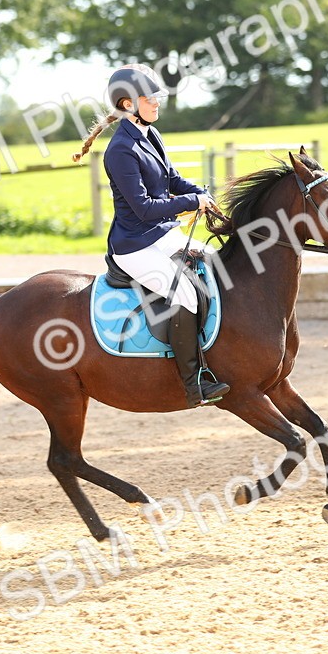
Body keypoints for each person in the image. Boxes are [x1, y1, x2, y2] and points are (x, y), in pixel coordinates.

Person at [73, 64, 230, 407]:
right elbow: (143, 208)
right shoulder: (120, 151)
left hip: (162, 234)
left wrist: (202, 193)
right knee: (186, 293)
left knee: (217, 265)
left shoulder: (150, 134)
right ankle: (193, 383)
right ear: (128, 104)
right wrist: (192, 201)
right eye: (150, 98)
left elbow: (172, 180)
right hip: (134, 246)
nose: (157, 102)